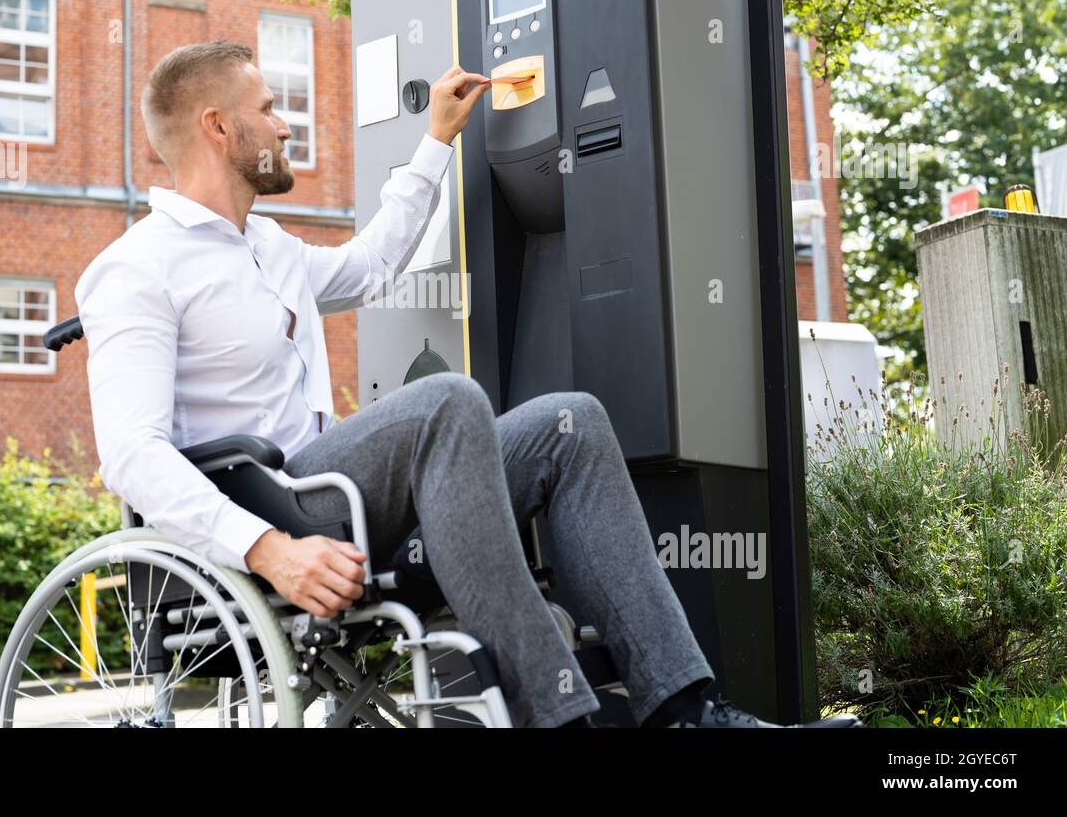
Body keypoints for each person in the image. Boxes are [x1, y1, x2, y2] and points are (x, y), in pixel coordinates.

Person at [75, 39, 859, 729]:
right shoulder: (136, 269)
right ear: (217, 126)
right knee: (447, 400)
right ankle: (556, 716)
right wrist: (272, 551)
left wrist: (435, 141)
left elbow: (375, 263)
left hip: (334, 503)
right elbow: (133, 457)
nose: (286, 125)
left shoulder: (270, 247)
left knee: (571, 423)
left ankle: (685, 709)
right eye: (270, 109)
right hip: (269, 514)